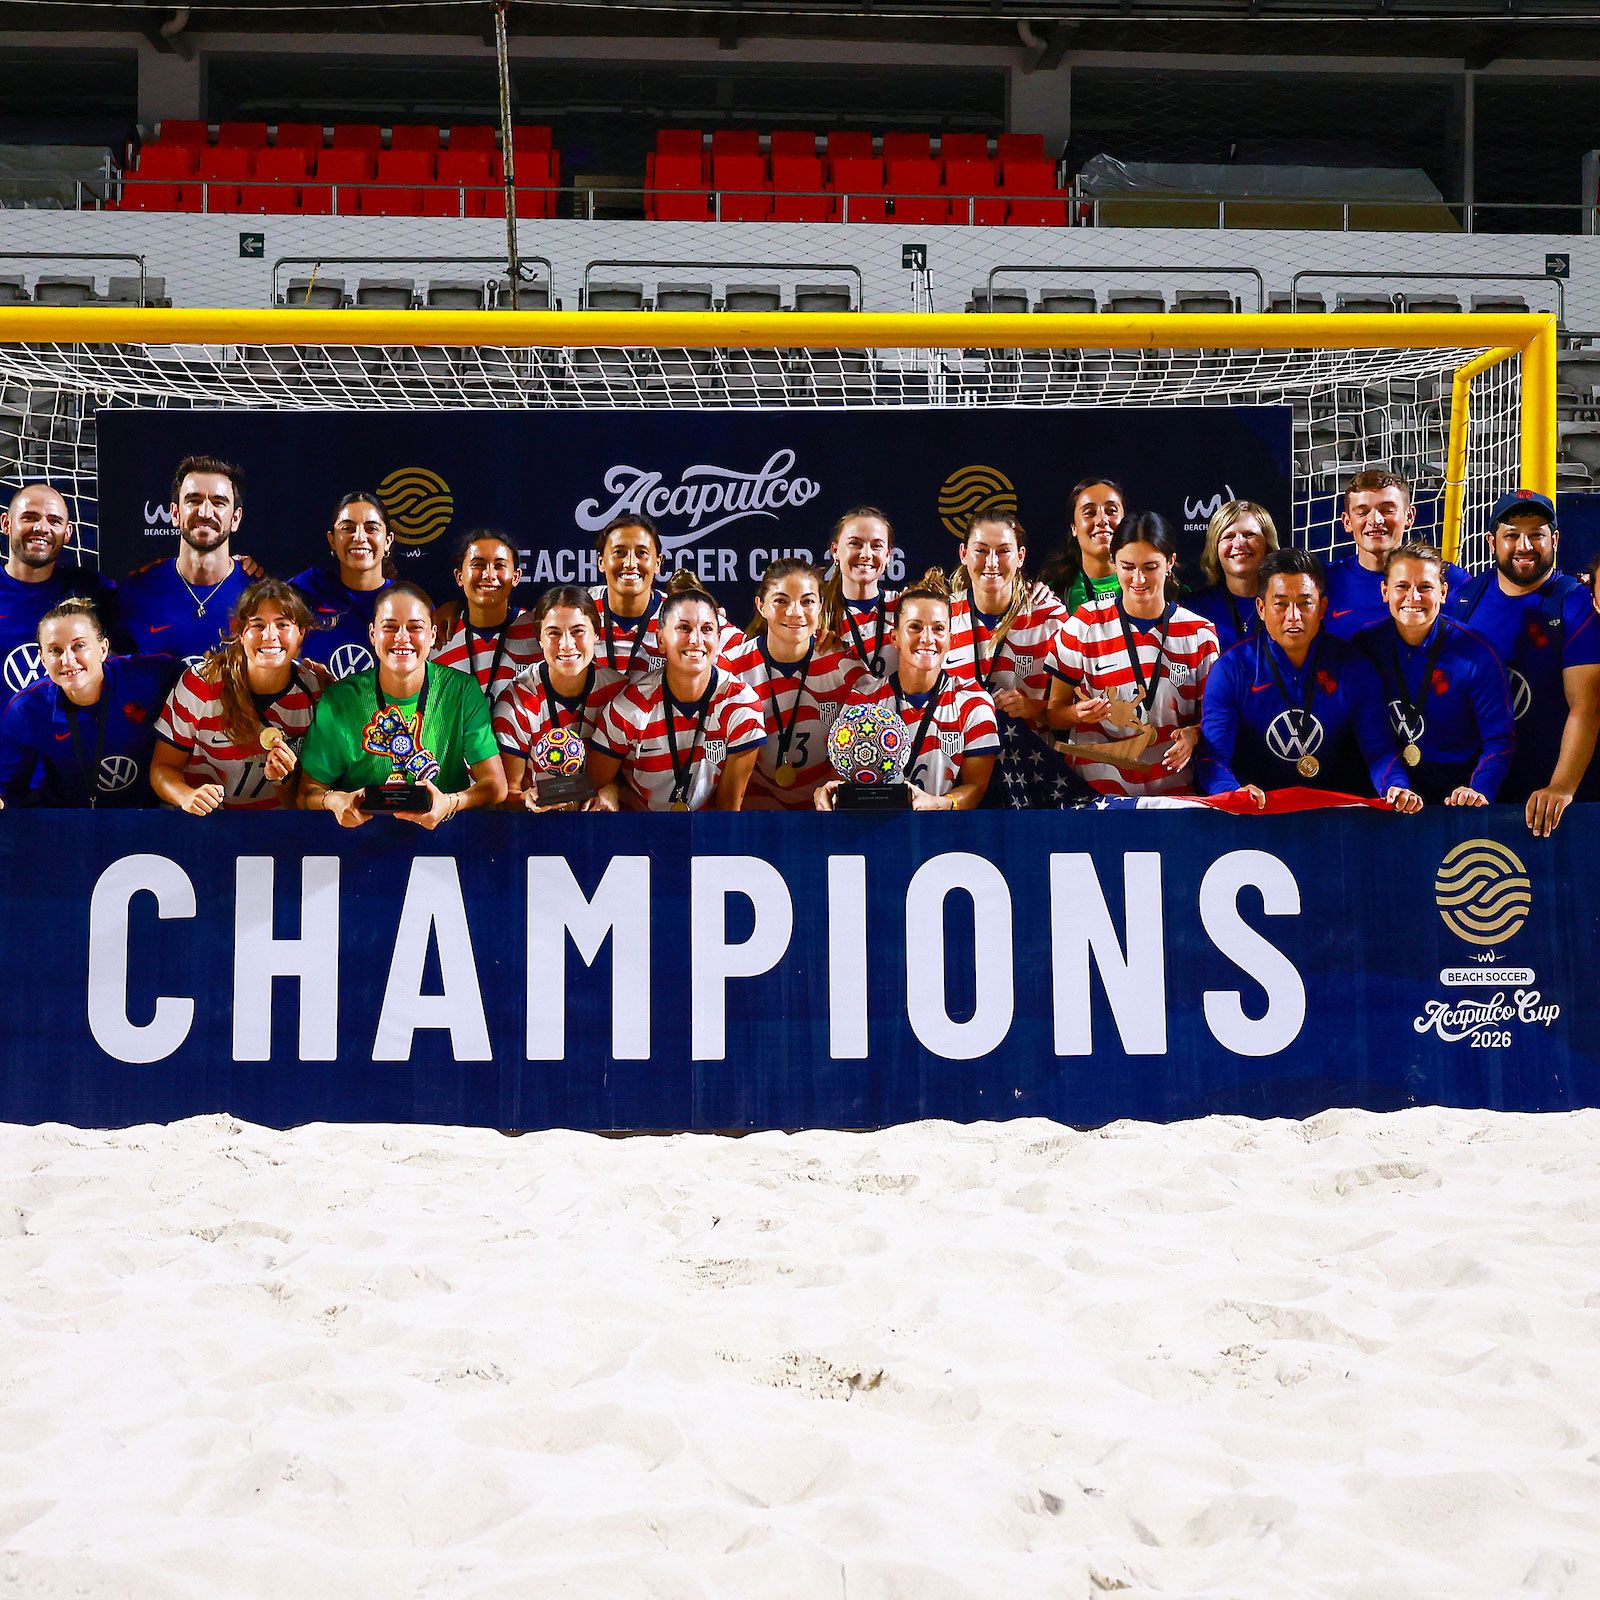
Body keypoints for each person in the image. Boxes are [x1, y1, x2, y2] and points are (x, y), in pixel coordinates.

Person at [1196, 548, 1413, 810]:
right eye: (1281, 604)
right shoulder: (1231, 670)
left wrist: (1396, 786)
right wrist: (1232, 794)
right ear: (1261, 608)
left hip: (1337, 818)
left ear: (1322, 607)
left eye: (1305, 603)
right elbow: (1213, 759)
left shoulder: (1355, 668)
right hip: (1256, 817)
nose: (1293, 616)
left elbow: (1380, 752)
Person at [1445, 490, 1600, 836]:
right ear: (1492, 542)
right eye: (1512, 535)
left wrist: (1561, 786)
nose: (1524, 546)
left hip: (1551, 794)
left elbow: (1586, 707)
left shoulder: (1575, 602)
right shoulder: (1463, 599)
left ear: (1555, 540)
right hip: (1477, 790)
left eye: (1537, 535)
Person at [298, 581, 506, 829]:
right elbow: (306, 793)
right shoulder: (340, 699)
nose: (402, 638)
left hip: (444, 838)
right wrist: (335, 800)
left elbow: (495, 786)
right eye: (390, 627)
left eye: (415, 627)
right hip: (361, 839)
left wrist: (450, 802)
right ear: (372, 634)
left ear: (432, 634)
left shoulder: (461, 690)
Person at [1043, 513, 1218, 799]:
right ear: (1113, 562)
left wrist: (1194, 734)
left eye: (1150, 567)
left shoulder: (1199, 634)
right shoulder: (1083, 625)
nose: (1138, 579)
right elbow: (1053, 715)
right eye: (1127, 567)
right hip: (1096, 797)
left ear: (1170, 562)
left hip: (1173, 797)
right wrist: (1076, 714)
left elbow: (1213, 720)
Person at [815, 567, 1000, 812]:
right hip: (876, 828)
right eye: (915, 627)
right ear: (895, 638)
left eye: (938, 628)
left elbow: (976, 787)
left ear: (951, 640)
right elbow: (842, 777)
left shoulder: (973, 701)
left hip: (945, 830)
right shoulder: (863, 701)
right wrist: (830, 792)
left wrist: (937, 803)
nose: (927, 638)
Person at [1352, 542, 1515, 809]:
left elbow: (1499, 738)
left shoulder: (1477, 652)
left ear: (1443, 592)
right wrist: (1395, 787)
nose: (1413, 597)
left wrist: (1478, 789)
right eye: (1402, 586)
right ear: (1385, 591)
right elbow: (1375, 744)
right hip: (1390, 787)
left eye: (1425, 587)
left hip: (1460, 791)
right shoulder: (1366, 647)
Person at [590, 571, 765, 811]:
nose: (696, 639)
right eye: (683, 628)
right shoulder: (630, 707)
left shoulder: (741, 704)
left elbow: (727, 811)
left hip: (709, 829)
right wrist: (610, 788)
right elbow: (594, 784)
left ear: (718, 639)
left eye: (707, 629)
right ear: (661, 640)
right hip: (638, 827)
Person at [150, 579, 326, 814]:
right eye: (258, 625)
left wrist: (282, 780)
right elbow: (162, 768)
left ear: (301, 633)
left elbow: (302, 798)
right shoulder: (200, 683)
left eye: (282, 625)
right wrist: (186, 796)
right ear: (241, 633)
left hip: (274, 823)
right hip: (200, 821)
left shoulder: (314, 692)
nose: (269, 636)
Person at [944, 509, 1078, 808]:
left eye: (1003, 551)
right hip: (957, 776)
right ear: (964, 554)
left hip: (1029, 778)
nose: (992, 562)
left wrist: (1033, 708)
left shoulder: (1050, 617)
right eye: (981, 550)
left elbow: (1075, 709)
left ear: (1020, 556)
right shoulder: (943, 617)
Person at [0, 598, 180, 809]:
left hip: (146, 815)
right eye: (55, 650)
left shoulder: (149, 676)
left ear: (103, 649)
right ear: (42, 658)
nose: (68, 660)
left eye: (79, 646)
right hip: (67, 818)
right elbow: (8, 784)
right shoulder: (27, 709)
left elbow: (197, 684)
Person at [723, 558, 868, 810]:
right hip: (753, 818)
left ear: (820, 606)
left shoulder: (846, 668)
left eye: (807, 601)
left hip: (824, 817)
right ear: (761, 606)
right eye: (781, 601)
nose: (795, 612)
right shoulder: (730, 669)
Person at [495, 585, 623, 811]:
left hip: (599, 823)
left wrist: (613, 789)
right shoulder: (517, 700)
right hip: (535, 826)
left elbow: (637, 778)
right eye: (553, 633)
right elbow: (506, 794)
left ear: (596, 634)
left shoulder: (619, 693)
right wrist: (525, 800)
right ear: (539, 639)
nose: (566, 644)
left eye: (578, 631)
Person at [118, 455, 254, 666]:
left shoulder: (258, 595)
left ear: (235, 518)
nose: (205, 512)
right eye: (194, 501)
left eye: (218, 503)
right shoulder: (134, 593)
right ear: (175, 513)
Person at [0, 483, 121, 708]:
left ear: (67, 533)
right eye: (29, 517)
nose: (41, 527)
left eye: (54, 521)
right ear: (6, 523)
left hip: (73, 730)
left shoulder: (94, 590)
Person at [1323, 468, 1466, 640]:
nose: (1375, 520)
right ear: (1347, 522)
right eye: (1362, 512)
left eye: (1387, 510)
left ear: (1409, 516)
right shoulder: (1323, 581)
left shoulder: (1451, 579)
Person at [289, 490, 397, 679]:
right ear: (332, 540)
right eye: (348, 528)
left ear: (387, 541)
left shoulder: (404, 602)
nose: (359, 537)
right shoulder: (307, 587)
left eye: (371, 528)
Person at [430, 528, 540, 704]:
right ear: (459, 576)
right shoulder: (439, 637)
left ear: (516, 577)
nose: (489, 574)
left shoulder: (538, 632)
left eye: (500, 565)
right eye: (477, 564)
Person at [1184, 499, 1280, 655]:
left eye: (1249, 534)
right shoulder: (1192, 609)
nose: (1239, 543)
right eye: (1228, 536)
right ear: (1215, 548)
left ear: (1267, 544)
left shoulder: (1288, 607)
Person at [818, 506, 900, 680]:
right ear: (835, 551)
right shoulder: (815, 612)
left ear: (888, 555)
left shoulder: (904, 608)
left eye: (876, 546)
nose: (866, 554)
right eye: (855, 544)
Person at [1038, 478, 1125, 614]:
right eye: (1089, 513)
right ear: (1074, 527)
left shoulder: (1148, 582)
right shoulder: (1053, 593)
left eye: (1111, 511)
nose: (1102, 520)